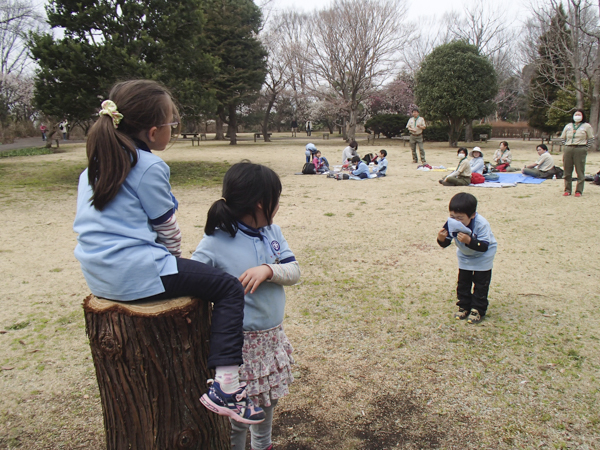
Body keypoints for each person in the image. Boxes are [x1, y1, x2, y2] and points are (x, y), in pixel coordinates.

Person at [72, 80, 265, 425]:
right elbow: (167, 229)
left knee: (207, 281)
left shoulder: (93, 169)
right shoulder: (148, 166)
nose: (173, 130)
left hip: (99, 276)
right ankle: (227, 386)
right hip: (138, 271)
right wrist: (174, 260)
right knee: (228, 288)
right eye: (172, 124)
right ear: (152, 131)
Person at [192, 162, 299, 450]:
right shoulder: (216, 241)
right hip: (238, 348)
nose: (278, 206)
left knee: (267, 408)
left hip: (272, 340)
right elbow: (193, 279)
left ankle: (263, 446)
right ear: (261, 203)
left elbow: (294, 271)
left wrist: (268, 270)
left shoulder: (272, 232)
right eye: (276, 199)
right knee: (237, 419)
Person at [437, 192, 497, 324]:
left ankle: (478, 308)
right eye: (452, 216)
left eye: (460, 218)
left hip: (483, 255)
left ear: (472, 215)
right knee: (463, 281)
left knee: (481, 283)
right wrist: (440, 239)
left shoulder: (481, 224)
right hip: (465, 254)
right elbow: (446, 242)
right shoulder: (451, 222)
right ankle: (464, 305)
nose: (455, 220)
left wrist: (469, 240)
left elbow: (484, 246)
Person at [560, 109, 595, 196]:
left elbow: (591, 138)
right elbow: (562, 138)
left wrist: (585, 147)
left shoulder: (587, 126)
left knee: (580, 169)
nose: (577, 116)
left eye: (579, 114)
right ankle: (567, 190)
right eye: (576, 114)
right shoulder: (568, 126)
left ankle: (578, 190)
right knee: (567, 169)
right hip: (568, 148)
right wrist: (566, 145)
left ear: (582, 116)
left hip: (580, 148)